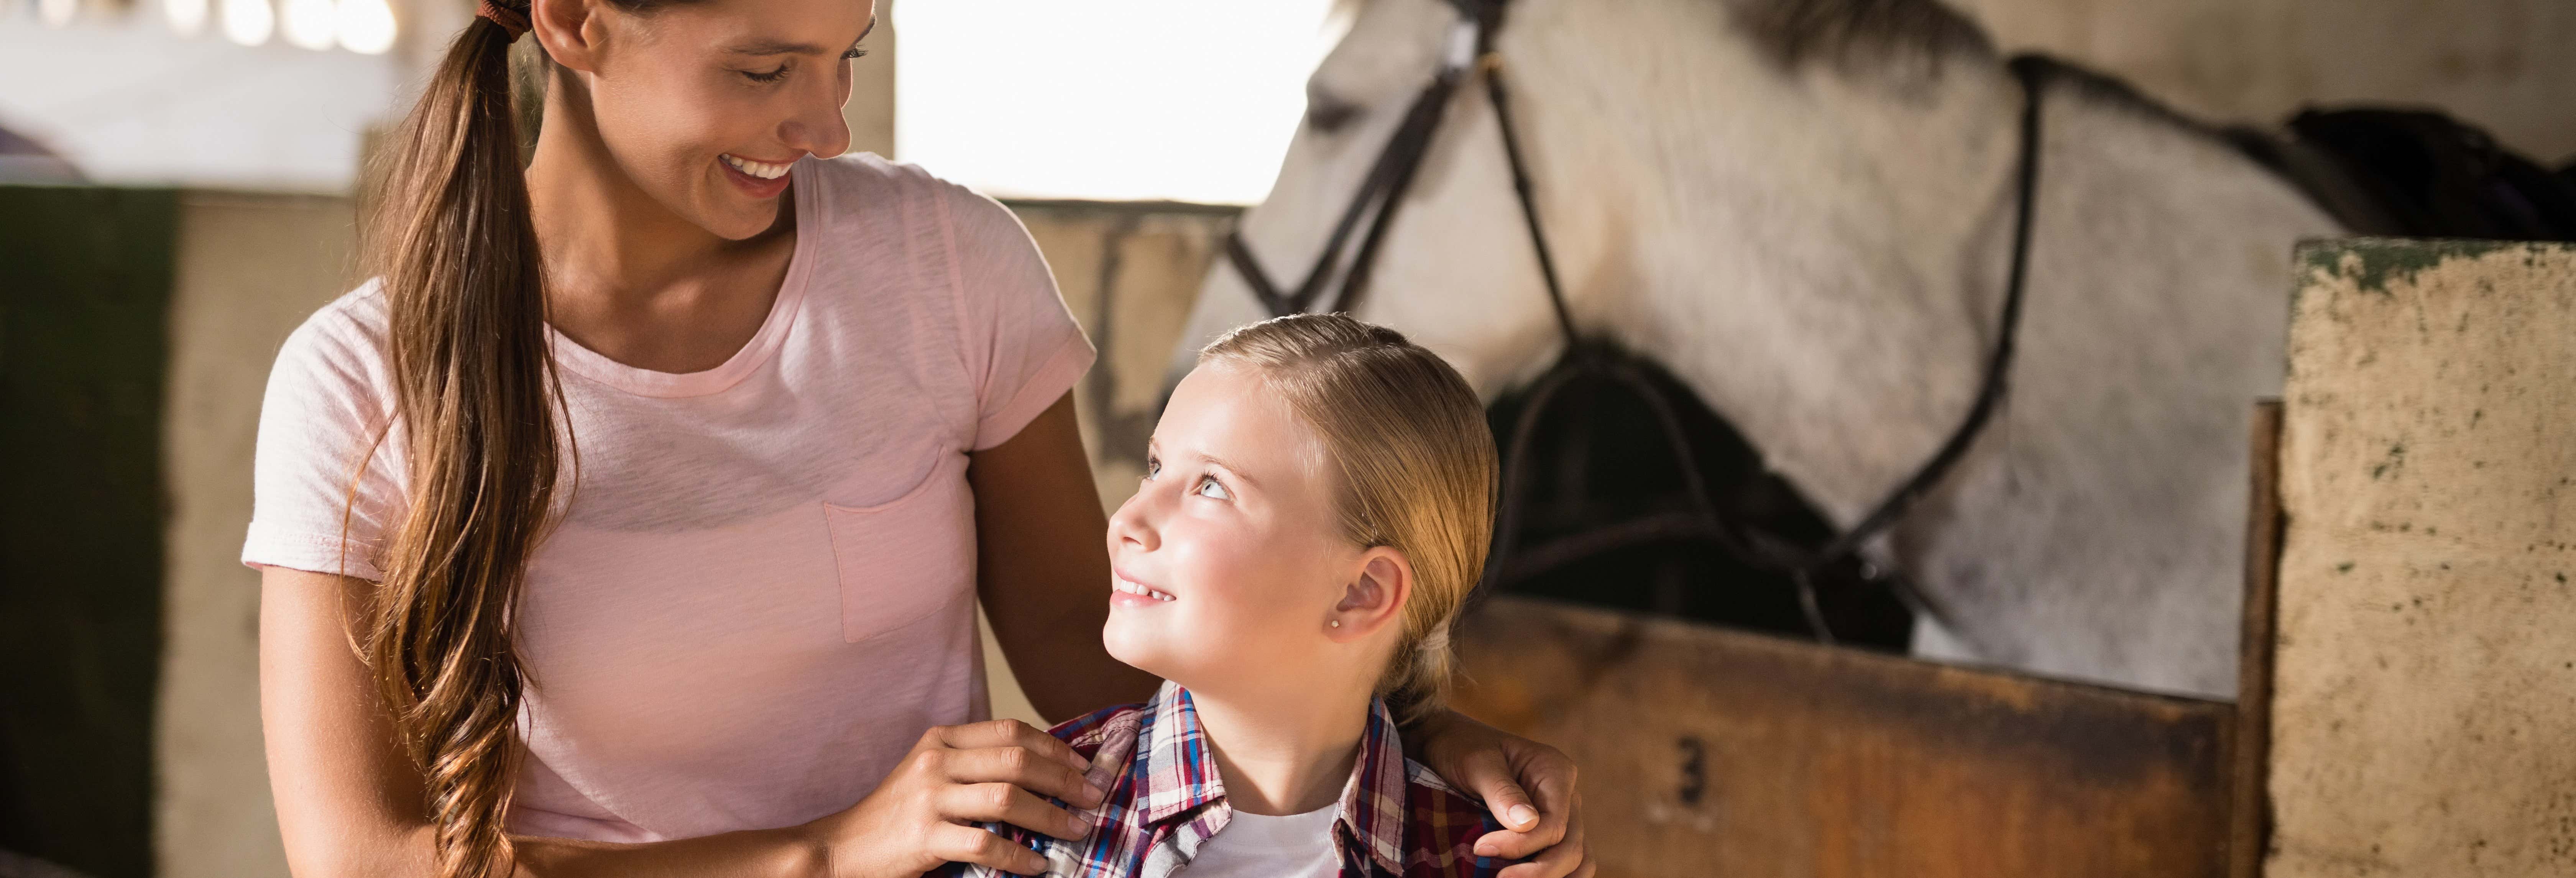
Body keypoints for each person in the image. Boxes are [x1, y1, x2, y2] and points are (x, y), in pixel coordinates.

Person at [245, 0, 1592, 875]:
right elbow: (364, 858)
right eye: (765, 68)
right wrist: (826, 852)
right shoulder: (354, 385)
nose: (825, 125)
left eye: (850, 60)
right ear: (575, 22)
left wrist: (1409, 745)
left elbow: (1093, 637)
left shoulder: (943, 262)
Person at [949, 314, 1520, 878]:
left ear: (1361, 594)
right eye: (1155, 467)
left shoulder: (1484, 858)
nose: (1127, 519)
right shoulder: (1023, 827)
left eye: (1212, 486)